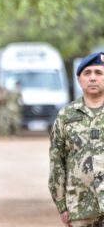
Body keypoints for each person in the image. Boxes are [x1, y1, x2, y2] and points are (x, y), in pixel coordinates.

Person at [49, 51, 104, 227]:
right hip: (79, 207)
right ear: (79, 80)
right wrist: (61, 205)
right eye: (87, 73)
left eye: (99, 72)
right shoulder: (66, 115)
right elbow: (57, 161)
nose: (93, 78)